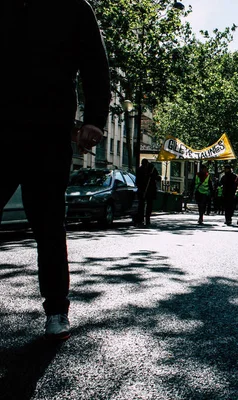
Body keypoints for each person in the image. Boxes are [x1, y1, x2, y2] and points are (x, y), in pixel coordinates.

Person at [0, 0, 111, 340]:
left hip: (48, 133)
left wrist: (94, 119)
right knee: (48, 225)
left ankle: (57, 311)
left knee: (48, 224)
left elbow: (95, 65)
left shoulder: (74, 8)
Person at [136, 159, 161, 226]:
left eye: (145, 165)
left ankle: (147, 219)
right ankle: (140, 220)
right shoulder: (139, 170)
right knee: (141, 205)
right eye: (143, 165)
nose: (144, 166)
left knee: (149, 205)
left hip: (150, 190)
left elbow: (158, 178)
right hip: (142, 190)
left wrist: (153, 176)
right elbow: (137, 181)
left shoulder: (152, 169)